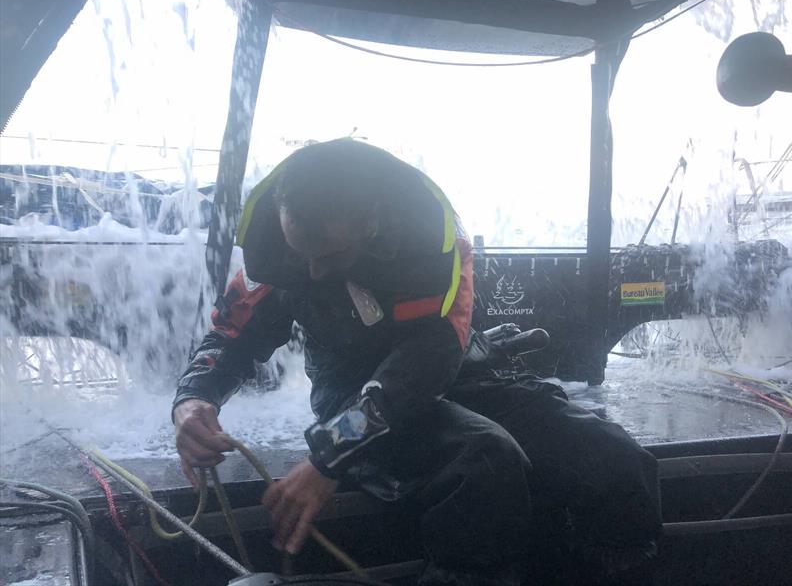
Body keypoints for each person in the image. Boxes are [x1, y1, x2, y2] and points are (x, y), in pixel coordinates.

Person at [172, 139, 661, 584]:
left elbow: (426, 361)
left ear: (373, 220)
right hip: (349, 392)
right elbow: (229, 335)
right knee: (483, 463)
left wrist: (331, 455)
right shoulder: (284, 254)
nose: (313, 270)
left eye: (330, 254)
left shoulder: (438, 246)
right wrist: (193, 399)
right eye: (303, 254)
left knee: (613, 457)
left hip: (449, 376)